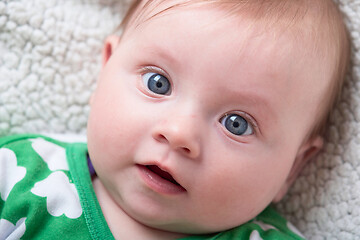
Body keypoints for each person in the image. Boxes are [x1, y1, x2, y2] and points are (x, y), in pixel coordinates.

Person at [0, 0, 350, 239]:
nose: (179, 133)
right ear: (106, 68)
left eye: (236, 123)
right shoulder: (16, 174)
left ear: (293, 167)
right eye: (158, 83)